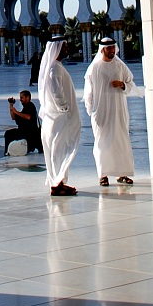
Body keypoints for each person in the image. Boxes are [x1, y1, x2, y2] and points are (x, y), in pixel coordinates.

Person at [83, 36, 135, 185]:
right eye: (109, 48)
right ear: (102, 49)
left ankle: (122, 174)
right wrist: (91, 110)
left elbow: (130, 82)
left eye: (113, 48)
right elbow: (88, 93)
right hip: (101, 113)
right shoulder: (94, 68)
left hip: (119, 111)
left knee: (121, 141)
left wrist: (123, 84)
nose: (112, 51)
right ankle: (103, 175)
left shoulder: (120, 66)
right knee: (102, 143)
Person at [38, 36, 81, 196]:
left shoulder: (56, 67)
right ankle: (57, 184)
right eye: (64, 47)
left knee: (57, 150)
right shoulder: (54, 68)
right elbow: (56, 92)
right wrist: (64, 108)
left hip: (54, 117)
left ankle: (58, 182)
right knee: (58, 150)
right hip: (58, 117)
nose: (66, 49)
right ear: (56, 48)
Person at [5, 90, 42, 154]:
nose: (20, 99)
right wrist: (11, 106)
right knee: (8, 134)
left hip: (30, 133)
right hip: (24, 131)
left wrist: (15, 111)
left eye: (22, 97)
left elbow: (28, 117)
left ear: (27, 97)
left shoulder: (30, 105)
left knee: (9, 134)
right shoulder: (25, 108)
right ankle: (7, 151)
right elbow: (13, 117)